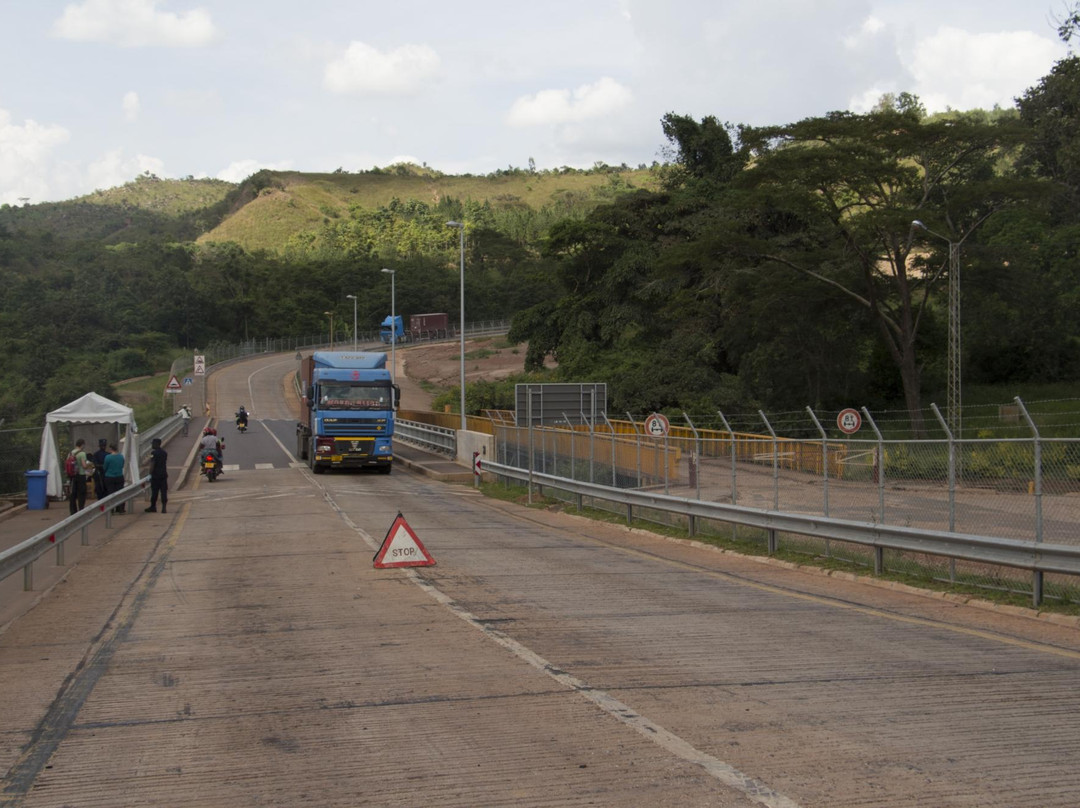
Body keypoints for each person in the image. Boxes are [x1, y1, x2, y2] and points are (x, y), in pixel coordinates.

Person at [67, 438, 94, 514]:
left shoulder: (71, 453)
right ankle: (81, 509)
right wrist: (89, 464)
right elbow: (84, 465)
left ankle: (73, 510)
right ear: (82, 445)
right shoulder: (82, 453)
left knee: (73, 493)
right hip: (81, 475)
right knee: (81, 493)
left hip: (73, 476)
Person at [145, 438, 168, 513]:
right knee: (163, 491)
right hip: (163, 475)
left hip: (156, 476)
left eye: (152, 444)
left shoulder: (154, 453)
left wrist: (149, 474)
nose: (152, 445)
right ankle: (164, 507)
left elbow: (152, 464)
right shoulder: (164, 453)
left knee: (155, 492)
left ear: (156, 444)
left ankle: (153, 507)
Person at [103, 443, 126, 513]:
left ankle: (111, 509)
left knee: (110, 493)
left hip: (109, 477)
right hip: (119, 476)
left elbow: (105, 467)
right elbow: (122, 465)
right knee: (120, 493)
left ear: (111, 449)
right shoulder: (121, 456)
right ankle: (120, 508)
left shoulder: (108, 457)